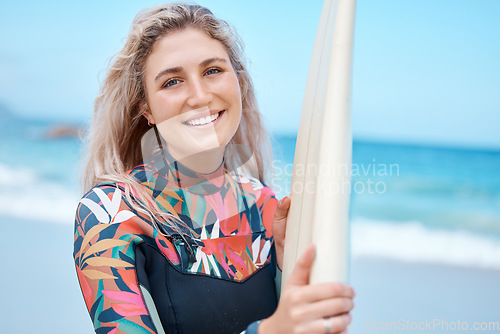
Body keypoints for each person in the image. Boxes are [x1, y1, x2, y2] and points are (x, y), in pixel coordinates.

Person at [73, 3, 355, 333]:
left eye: (212, 71)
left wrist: (284, 268)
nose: (199, 96)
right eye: (172, 82)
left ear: (239, 81)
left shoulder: (266, 207)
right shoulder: (110, 214)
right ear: (146, 108)